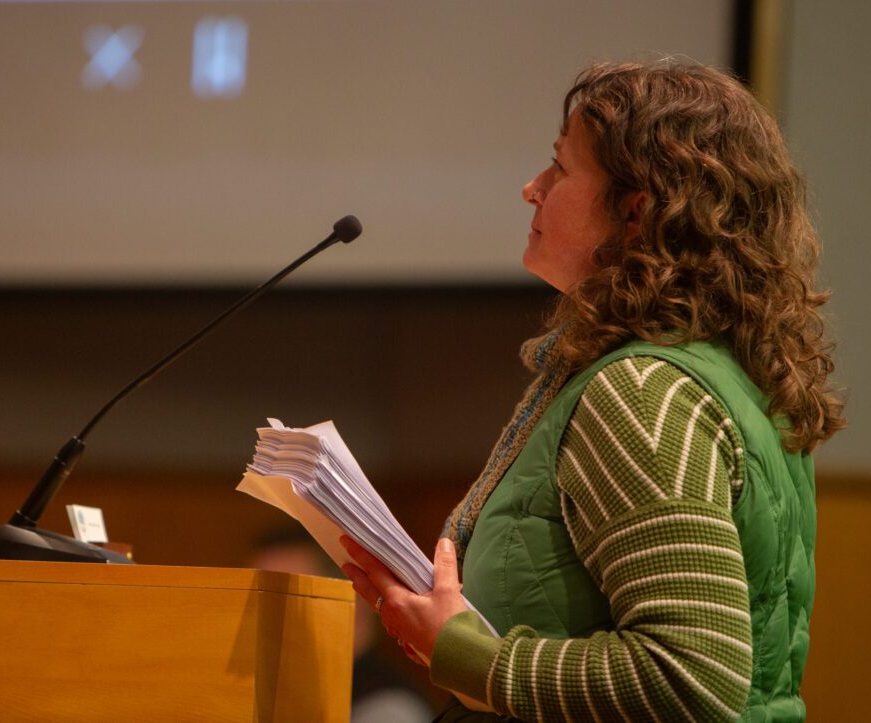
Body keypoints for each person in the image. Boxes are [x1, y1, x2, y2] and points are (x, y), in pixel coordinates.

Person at [340, 60, 845, 722]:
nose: (532, 188)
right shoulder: (722, 371)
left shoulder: (643, 391)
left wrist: (464, 653)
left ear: (637, 211)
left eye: (560, 169)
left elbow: (692, 677)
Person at [249, 525, 435, 723]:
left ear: (351, 601)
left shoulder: (389, 712)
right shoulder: (282, 697)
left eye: (284, 601)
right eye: (254, 603)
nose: (262, 622)